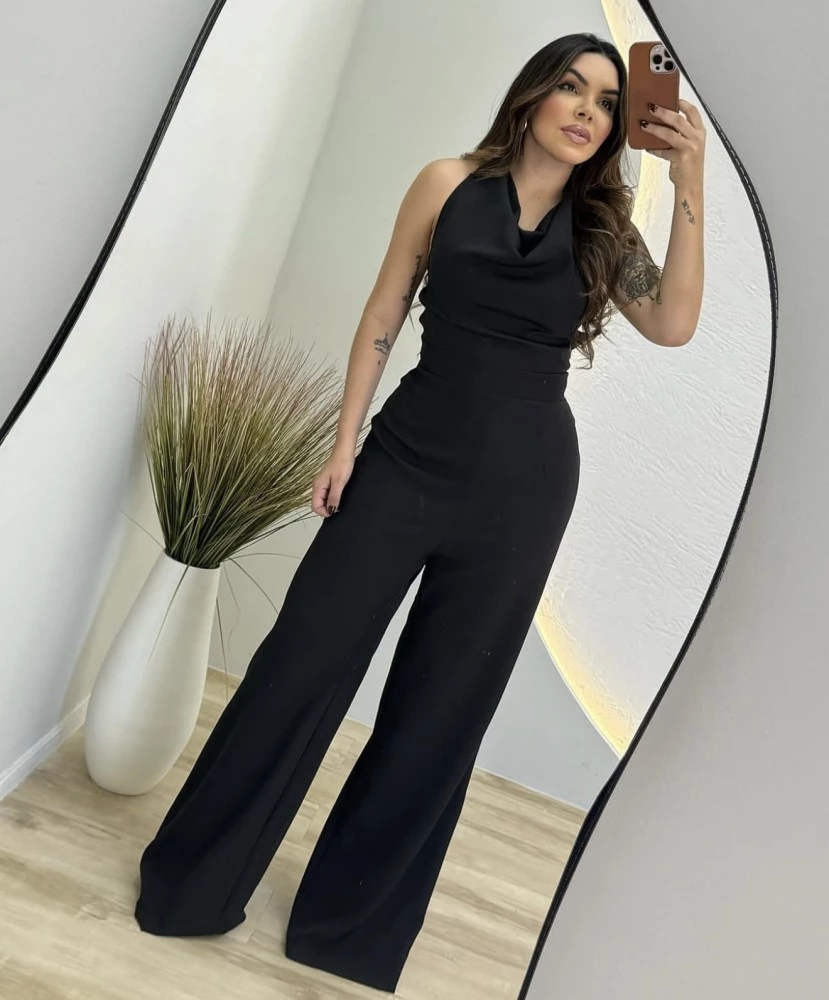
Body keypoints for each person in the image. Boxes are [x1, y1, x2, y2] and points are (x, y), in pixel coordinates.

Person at [134, 32, 706, 994]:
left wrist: (690, 180)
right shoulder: (446, 183)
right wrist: (342, 444)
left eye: (608, 102)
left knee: (441, 710)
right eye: (571, 88)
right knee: (299, 662)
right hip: (403, 461)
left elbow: (673, 323)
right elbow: (383, 311)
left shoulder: (605, 231)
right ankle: (192, 885)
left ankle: (345, 931)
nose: (587, 111)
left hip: (523, 490)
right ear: (531, 96)